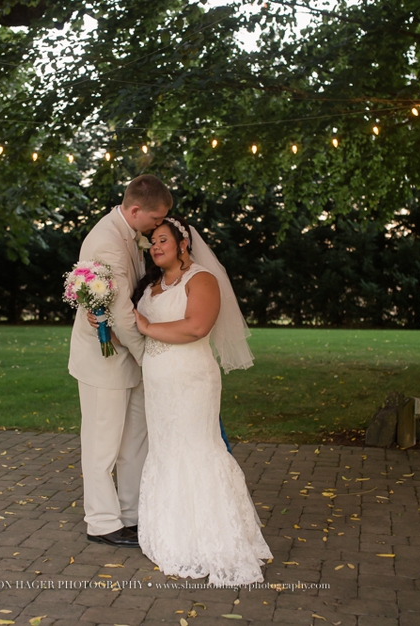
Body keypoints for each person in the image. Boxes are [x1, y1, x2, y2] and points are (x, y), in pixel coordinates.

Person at [132, 215, 272, 586]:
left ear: (183, 244)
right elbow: (136, 331)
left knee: (196, 449)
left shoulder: (202, 280)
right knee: (166, 451)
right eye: (152, 242)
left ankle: (216, 540)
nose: (156, 247)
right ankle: (174, 536)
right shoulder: (152, 286)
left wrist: (145, 326)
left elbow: (197, 326)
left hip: (192, 382)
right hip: (159, 386)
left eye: (163, 240)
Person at [68, 175, 172, 548]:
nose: (157, 226)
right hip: (104, 361)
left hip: (125, 357)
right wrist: (150, 359)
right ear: (134, 210)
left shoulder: (128, 232)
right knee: (102, 446)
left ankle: (130, 515)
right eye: (155, 219)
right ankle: (101, 522)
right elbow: (122, 314)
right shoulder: (108, 241)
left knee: (133, 443)